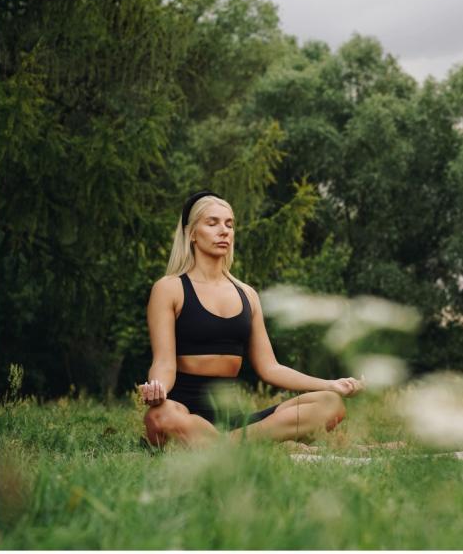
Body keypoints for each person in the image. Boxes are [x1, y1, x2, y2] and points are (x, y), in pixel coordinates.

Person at [140, 191, 361, 448]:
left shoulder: (247, 294)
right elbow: (164, 364)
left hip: (236, 420)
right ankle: (257, 445)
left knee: (329, 403)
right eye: (212, 223)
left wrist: (331, 385)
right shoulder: (170, 288)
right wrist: (158, 390)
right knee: (159, 416)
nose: (224, 231)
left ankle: (223, 445)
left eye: (229, 224)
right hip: (184, 413)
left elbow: (270, 368)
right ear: (191, 233)